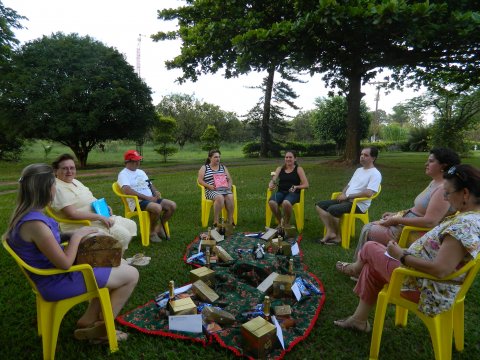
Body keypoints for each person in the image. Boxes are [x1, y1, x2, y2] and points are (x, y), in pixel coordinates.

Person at [333, 164, 480, 333]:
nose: (445, 198)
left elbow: (440, 270)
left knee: (370, 247)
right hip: (424, 279)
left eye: (447, 193)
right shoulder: (470, 217)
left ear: (465, 193)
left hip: (424, 288)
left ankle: (353, 268)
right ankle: (358, 320)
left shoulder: (464, 226)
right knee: (371, 264)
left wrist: (402, 256)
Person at [4, 164, 139, 342]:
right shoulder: (35, 224)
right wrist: (78, 235)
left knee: (115, 263)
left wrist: (69, 234)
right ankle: (103, 330)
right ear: (47, 189)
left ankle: (90, 319)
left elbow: (49, 240)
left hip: (51, 275)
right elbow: (65, 263)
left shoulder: (26, 217)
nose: (56, 189)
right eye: (54, 185)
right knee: (131, 274)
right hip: (56, 280)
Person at [351, 148, 460, 259]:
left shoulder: (442, 189)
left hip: (412, 230)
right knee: (371, 226)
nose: (426, 164)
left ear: (443, 166)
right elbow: (419, 208)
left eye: (431, 161)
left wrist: (396, 220)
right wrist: (395, 214)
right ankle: (366, 265)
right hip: (408, 222)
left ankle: (361, 265)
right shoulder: (435, 182)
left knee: (369, 229)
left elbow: (430, 222)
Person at [50, 154, 137, 252]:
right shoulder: (57, 187)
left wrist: (105, 208)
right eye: (65, 168)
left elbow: (91, 199)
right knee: (123, 235)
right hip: (81, 224)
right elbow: (72, 214)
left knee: (131, 224)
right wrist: (100, 217)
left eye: (72, 168)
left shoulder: (75, 181)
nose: (69, 171)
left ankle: (115, 256)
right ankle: (114, 261)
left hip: (97, 217)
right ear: (56, 171)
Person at [315, 147, 382, 245]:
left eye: (366, 155)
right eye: (361, 154)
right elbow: (349, 185)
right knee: (319, 205)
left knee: (332, 209)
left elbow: (368, 193)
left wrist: (348, 196)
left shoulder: (375, 174)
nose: (362, 157)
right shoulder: (359, 170)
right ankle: (331, 231)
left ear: (373, 158)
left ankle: (338, 237)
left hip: (358, 204)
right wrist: (343, 193)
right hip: (347, 200)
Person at [117, 149, 176, 243]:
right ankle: (151, 232)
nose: (138, 162)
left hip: (150, 199)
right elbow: (127, 190)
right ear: (128, 161)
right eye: (136, 161)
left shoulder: (141, 172)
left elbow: (149, 184)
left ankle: (159, 228)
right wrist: (147, 198)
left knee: (172, 205)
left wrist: (155, 191)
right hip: (137, 202)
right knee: (157, 208)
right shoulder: (123, 174)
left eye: (138, 160)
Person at [268, 150, 309, 227]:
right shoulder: (280, 168)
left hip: (294, 193)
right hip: (281, 192)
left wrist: (296, 186)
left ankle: (286, 223)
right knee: (272, 202)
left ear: (295, 159)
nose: (288, 159)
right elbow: (273, 180)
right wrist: (271, 184)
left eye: (290, 157)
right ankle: (281, 222)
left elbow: (306, 185)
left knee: (286, 203)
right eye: (286, 157)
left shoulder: (298, 169)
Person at [197, 149, 235, 226]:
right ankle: (216, 220)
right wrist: (209, 186)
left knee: (230, 196)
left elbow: (229, 179)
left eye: (219, 157)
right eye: (215, 157)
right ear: (210, 158)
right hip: (211, 190)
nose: (218, 159)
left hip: (224, 189)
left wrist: (229, 186)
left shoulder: (223, 167)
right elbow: (200, 180)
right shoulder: (205, 168)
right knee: (220, 197)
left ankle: (230, 219)